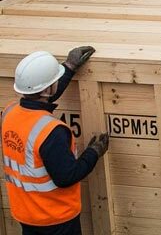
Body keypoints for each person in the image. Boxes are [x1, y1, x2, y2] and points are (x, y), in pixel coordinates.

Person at [1, 47, 110, 235]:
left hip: (26, 215)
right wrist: (93, 153)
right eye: (55, 80)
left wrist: (69, 67)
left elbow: (41, 98)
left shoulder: (9, 113)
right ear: (48, 88)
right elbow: (66, 177)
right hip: (55, 220)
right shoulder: (52, 132)